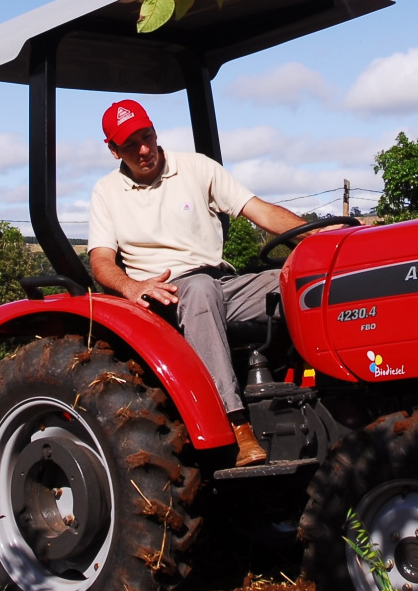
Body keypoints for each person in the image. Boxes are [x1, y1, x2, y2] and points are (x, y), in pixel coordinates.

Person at [86, 99, 310, 467]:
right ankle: (235, 425)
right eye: (131, 145)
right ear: (113, 150)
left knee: (298, 282)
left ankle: (332, 391)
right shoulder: (106, 192)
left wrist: (322, 236)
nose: (144, 150)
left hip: (222, 285)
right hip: (164, 297)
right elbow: (100, 261)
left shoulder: (196, 167)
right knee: (201, 289)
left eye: (147, 137)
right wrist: (131, 287)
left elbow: (260, 210)